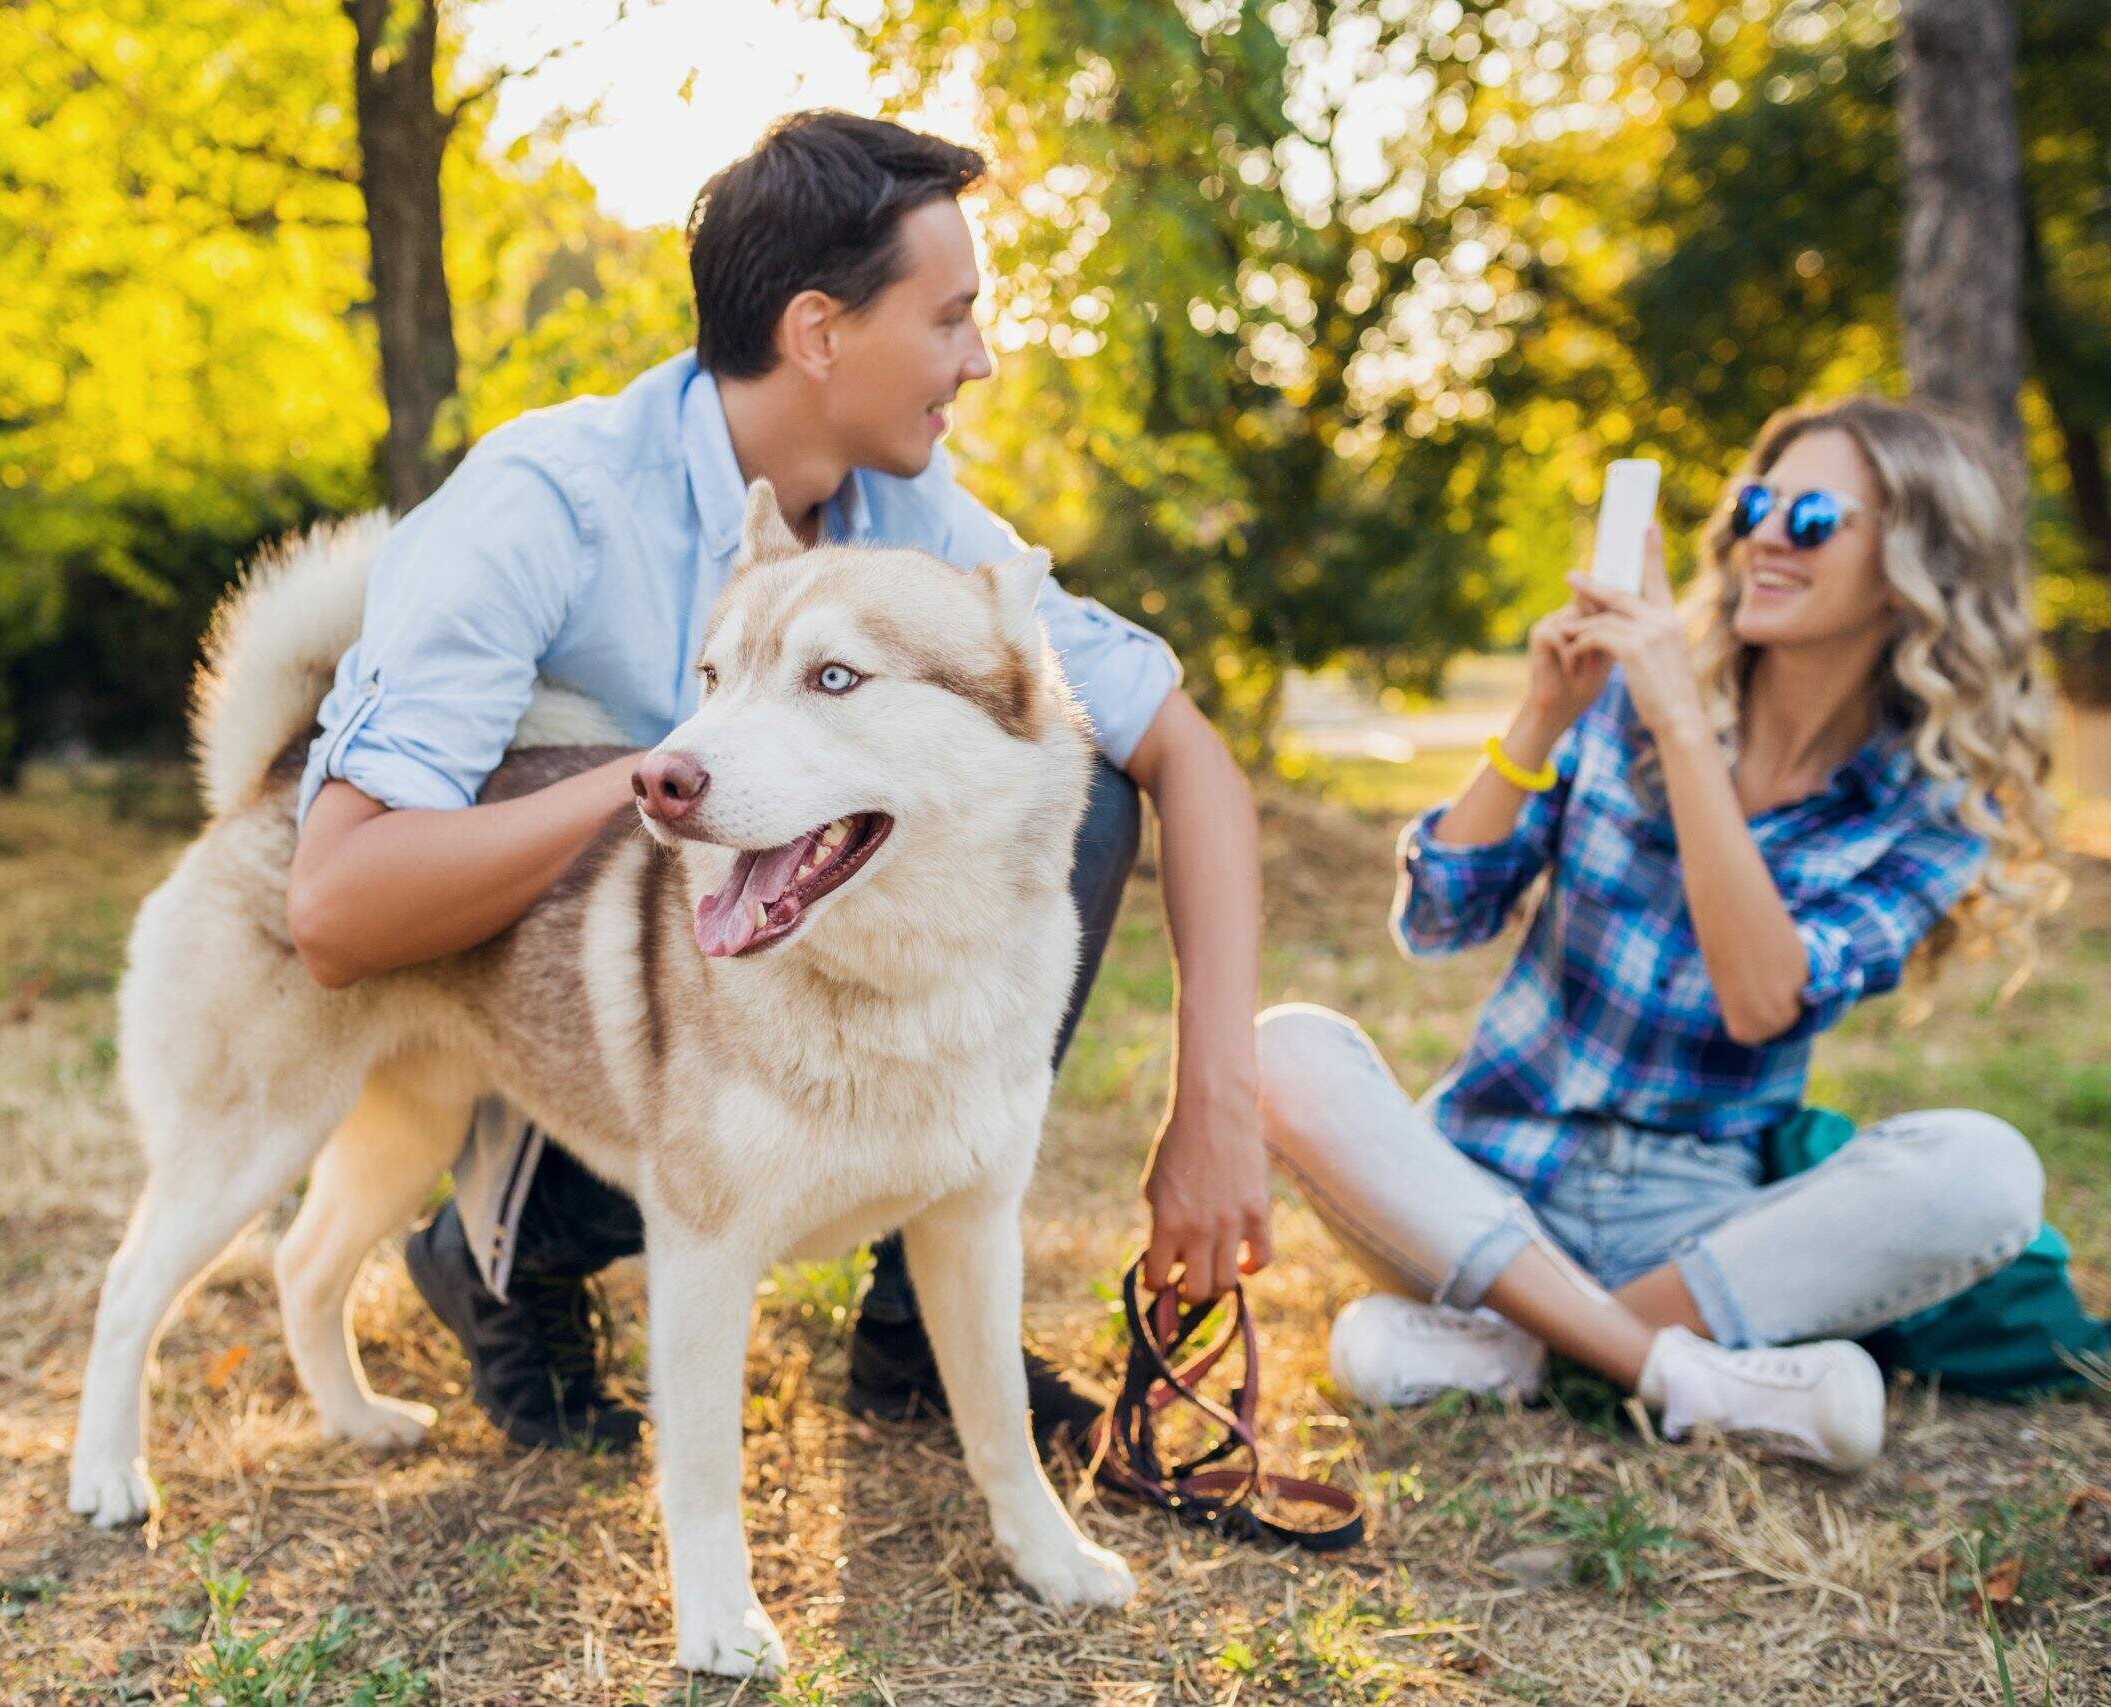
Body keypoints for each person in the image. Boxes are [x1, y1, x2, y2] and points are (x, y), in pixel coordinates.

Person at [284, 111, 1274, 1453]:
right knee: (669, 895)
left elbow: (1183, 751)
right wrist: (644, 781)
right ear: (819, 332)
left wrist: (1213, 1103)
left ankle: (919, 1314)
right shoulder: (545, 502)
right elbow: (337, 907)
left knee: (1070, 773)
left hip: (780, 1015)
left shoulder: (906, 517)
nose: (978, 361)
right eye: (950, 319)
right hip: (570, 1041)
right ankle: (501, 1247)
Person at [1255, 397, 2062, 1472]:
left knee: (1986, 1169)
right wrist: (1543, 714)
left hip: (1695, 1237)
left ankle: (1516, 1351)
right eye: (1756, 504)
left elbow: (1761, 999)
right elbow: (1442, 917)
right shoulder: (1617, 702)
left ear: (1914, 565)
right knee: (1281, 1047)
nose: (1766, 535)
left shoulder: (1930, 811)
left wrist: (1684, 726)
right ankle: (1674, 1375)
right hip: (1483, 1192)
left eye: (1813, 516)